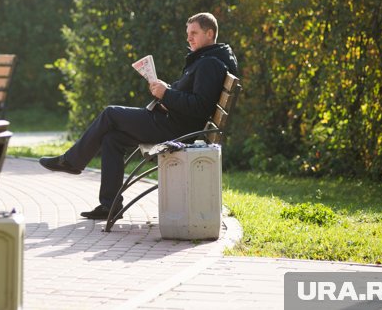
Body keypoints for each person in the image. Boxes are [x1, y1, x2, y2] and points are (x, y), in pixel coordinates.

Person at [39, 12, 239, 219]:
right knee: (112, 139)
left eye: (194, 33)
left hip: (176, 129)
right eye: (188, 33)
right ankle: (110, 206)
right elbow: (193, 98)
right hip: (173, 123)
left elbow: (200, 107)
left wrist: (167, 94)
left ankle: (71, 161)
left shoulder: (210, 63)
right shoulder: (206, 59)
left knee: (110, 114)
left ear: (209, 33)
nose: (189, 38)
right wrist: (166, 90)